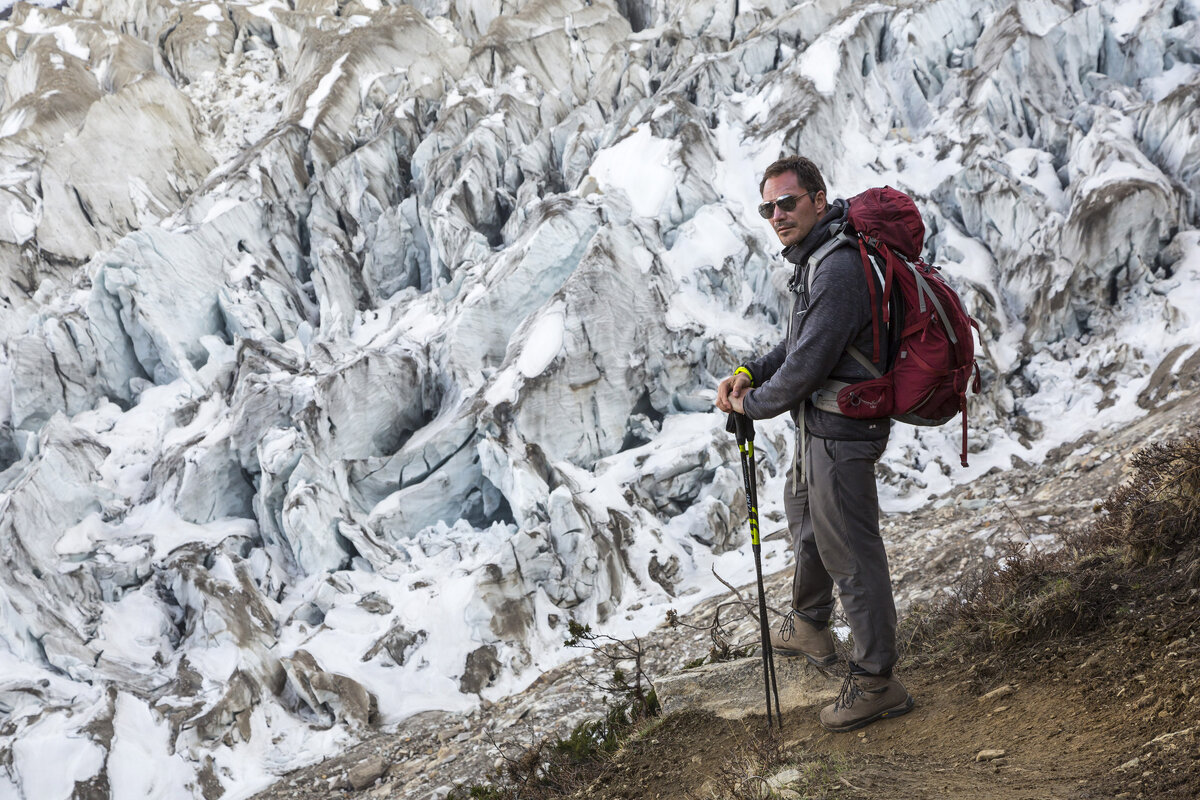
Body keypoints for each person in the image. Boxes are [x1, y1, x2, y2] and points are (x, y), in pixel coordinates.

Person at [715, 156, 914, 732]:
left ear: (818, 200)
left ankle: (878, 680)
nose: (777, 215)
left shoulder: (839, 269)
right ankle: (809, 623)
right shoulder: (818, 259)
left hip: (841, 432)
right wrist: (749, 372)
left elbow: (806, 366)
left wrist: (748, 404)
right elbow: (796, 343)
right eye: (768, 207)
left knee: (851, 551)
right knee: (805, 522)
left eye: (787, 202)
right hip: (817, 428)